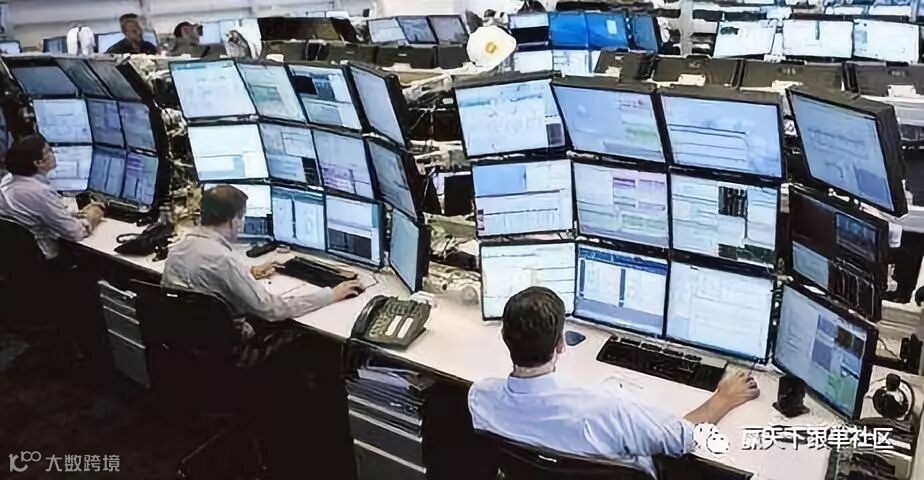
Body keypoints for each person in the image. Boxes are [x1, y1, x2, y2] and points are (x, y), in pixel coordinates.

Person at [468, 287, 761, 479]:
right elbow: (685, 438)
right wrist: (723, 398)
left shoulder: (480, 399)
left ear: (504, 337)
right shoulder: (609, 410)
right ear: (560, 345)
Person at [161, 185, 363, 365]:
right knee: (308, 337)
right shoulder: (223, 260)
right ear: (232, 222)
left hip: (188, 345)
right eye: (241, 218)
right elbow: (271, 309)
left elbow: (204, 281)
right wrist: (331, 294)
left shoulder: (179, 248)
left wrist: (248, 273)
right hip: (228, 350)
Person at [0, 135, 104, 260]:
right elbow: (75, 233)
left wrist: (67, 214)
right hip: (42, 260)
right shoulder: (39, 192)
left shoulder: (7, 180)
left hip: (12, 258)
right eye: (49, 150)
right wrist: (94, 214)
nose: (53, 153)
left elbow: (37, 213)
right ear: (38, 163)